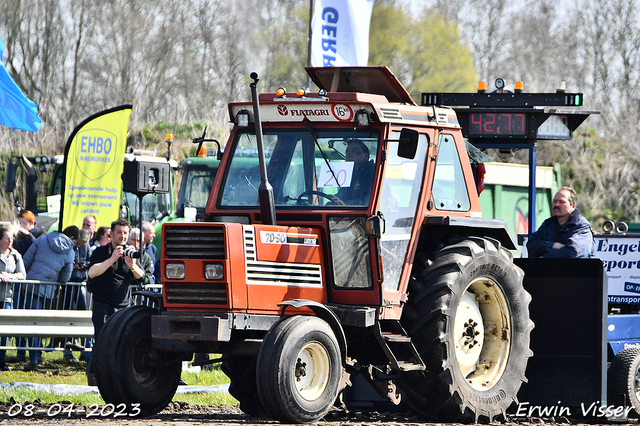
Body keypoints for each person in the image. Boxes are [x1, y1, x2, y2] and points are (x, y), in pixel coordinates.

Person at [17, 226, 76, 371]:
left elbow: (26, 260)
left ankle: (33, 359)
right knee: (39, 324)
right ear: (73, 238)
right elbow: (65, 278)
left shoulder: (42, 239)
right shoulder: (70, 251)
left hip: (31, 286)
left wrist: (26, 281)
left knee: (31, 323)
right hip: (49, 291)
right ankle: (36, 356)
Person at [88, 219, 152, 339]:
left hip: (123, 306)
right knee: (102, 341)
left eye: (125, 233)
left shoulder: (131, 253)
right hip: (103, 304)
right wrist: (112, 259)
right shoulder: (101, 251)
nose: (122, 236)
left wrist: (133, 266)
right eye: (119, 232)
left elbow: (143, 278)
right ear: (111, 234)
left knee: (120, 342)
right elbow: (91, 273)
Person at [527, 187, 594, 258]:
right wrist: (553, 245)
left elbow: (572, 253)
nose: (557, 205)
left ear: (573, 206)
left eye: (562, 202)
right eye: (555, 201)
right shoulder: (548, 224)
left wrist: (544, 257)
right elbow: (531, 245)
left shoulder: (581, 226)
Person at [62, 228, 92, 363]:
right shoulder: (68, 246)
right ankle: (67, 351)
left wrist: (84, 266)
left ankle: (85, 352)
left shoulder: (87, 247)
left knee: (84, 317)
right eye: (78, 243)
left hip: (81, 283)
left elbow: (92, 262)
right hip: (69, 284)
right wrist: (70, 267)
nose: (79, 246)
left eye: (81, 244)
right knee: (68, 317)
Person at [0, 226, 26, 371]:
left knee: (4, 332)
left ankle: (1, 361)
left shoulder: (16, 255)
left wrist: (9, 277)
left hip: (7, 298)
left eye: (12, 238)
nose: (10, 241)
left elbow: (22, 275)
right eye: (7, 238)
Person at [336, 140, 375, 206]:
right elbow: (343, 193)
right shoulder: (351, 174)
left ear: (365, 156)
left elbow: (366, 201)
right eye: (347, 151)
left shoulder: (372, 173)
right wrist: (333, 200)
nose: (349, 153)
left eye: (354, 150)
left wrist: (344, 204)